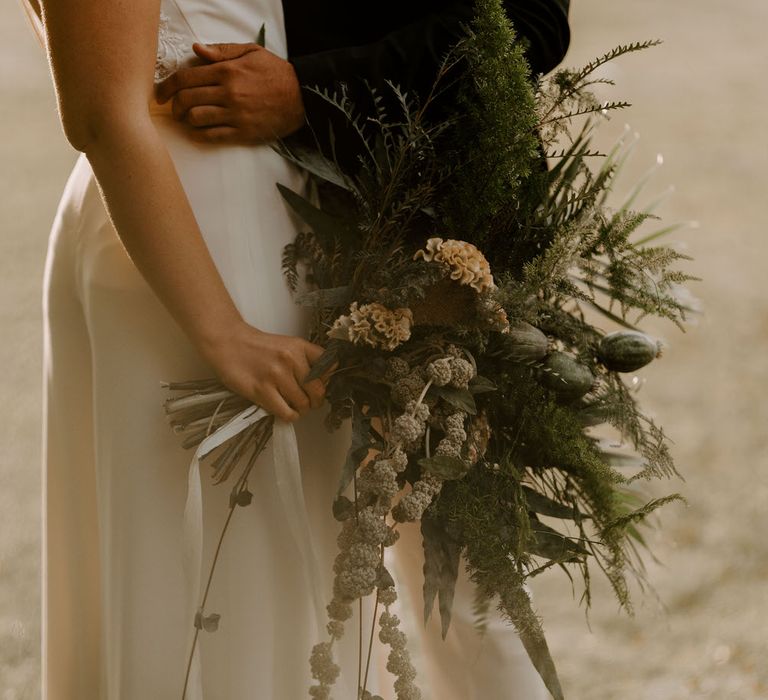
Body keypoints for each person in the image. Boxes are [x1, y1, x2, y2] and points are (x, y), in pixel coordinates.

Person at [30, 0, 569, 697]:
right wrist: (223, 329)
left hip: (272, 211)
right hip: (196, 235)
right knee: (228, 574)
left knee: (295, 575)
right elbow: (101, 110)